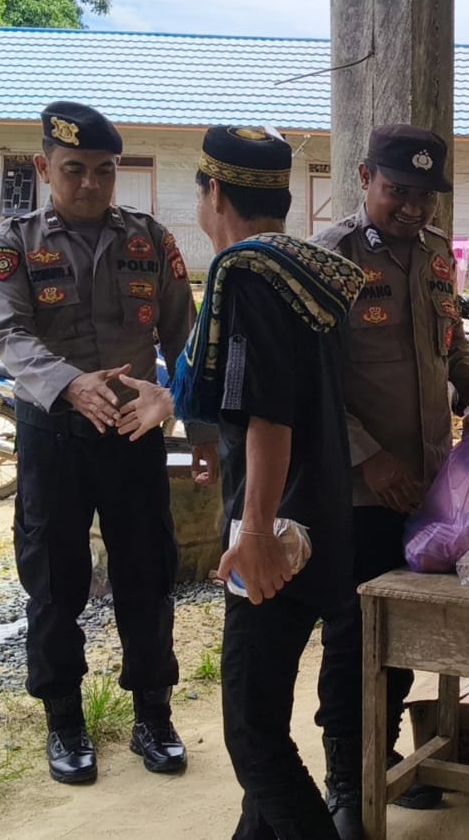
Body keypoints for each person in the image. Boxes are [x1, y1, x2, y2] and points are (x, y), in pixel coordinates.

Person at [0, 101, 215, 784]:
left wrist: (182, 411)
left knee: (147, 575)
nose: (89, 183)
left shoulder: (150, 239)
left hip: (133, 432)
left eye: (104, 171)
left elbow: (185, 335)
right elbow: (11, 334)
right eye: (75, 170)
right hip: (53, 432)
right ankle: (65, 722)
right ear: (44, 167)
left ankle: (153, 714)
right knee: (54, 583)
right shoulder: (14, 243)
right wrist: (71, 384)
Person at [311, 124, 469, 839]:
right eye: (398, 190)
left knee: (403, 630)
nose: (413, 207)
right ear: (365, 177)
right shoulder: (328, 258)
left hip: (427, 482)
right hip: (361, 487)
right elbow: (315, 384)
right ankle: (343, 779)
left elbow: (447, 341)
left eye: (425, 195)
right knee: (353, 631)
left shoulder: (433, 257)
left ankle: (381, 751)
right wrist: (369, 457)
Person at [169, 126, 365, 839]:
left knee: (254, 739)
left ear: (213, 191)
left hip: (279, 534)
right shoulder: (304, 266)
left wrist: (253, 532)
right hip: (324, 517)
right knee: (266, 720)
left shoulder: (245, 273)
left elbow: (267, 414)